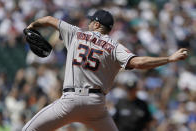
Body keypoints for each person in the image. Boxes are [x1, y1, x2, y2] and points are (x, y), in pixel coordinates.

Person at [22, 9, 188, 131]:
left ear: (96, 24)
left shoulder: (76, 33)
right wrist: (169, 59)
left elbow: (50, 19)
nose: (87, 23)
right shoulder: (115, 46)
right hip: (96, 105)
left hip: (70, 101)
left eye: (90, 21)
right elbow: (139, 62)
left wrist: (32, 25)